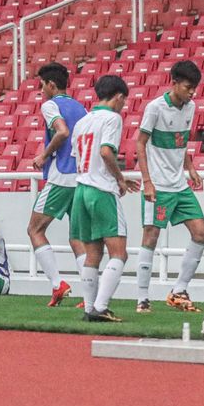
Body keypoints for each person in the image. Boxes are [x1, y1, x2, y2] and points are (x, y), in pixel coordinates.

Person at [136, 60, 204, 313]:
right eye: (188, 87)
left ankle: (179, 290)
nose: (192, 93)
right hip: (159, 186)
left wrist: (190, 167)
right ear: (174, 83)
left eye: (194, 88)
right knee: (151, 237)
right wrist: (147, 182)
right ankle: (142, 298)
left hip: (179, 185)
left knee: (201, 233)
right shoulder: (155, 108)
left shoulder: (191, 107)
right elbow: (140, 143)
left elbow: (182, 140)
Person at [70, 75, 140, 323]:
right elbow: (105, 151)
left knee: (92, 254)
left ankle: (89, 307)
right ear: (119, 96)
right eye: (124, 100)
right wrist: (120, 180)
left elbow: (79, 155)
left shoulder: (82, 122)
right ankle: (101, 307)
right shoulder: (112, 118)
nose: (123, 105)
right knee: (119, 253)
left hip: (81, 190)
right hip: (101, 191)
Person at [26, 62, 87, 307]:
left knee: (34, 230)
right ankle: (90, 292)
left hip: (61, 175)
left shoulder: (51, 105)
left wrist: (43, 155)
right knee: (77, 236)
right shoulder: (81, 107)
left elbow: (61, 132)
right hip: (81, 177)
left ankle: (57, 284)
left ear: (51, 85)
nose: (41, 90)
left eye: (42, 85)